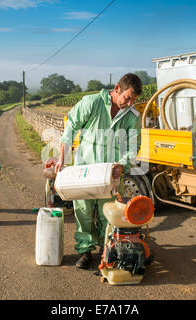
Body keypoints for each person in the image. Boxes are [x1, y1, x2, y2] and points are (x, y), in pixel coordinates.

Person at [55, 73, 143, 269]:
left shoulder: (132, 117)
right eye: (127, 98)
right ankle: (85, 251)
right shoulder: (92, 103)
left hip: (110, 175)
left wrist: (122, 165)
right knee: (83, 212)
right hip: (84, 172)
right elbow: (70, 128)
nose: (129, 104)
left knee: (107, 214)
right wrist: (63, 158)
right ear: (117, 88)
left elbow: (132, 147)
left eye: (133, 100)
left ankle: (106, 252)